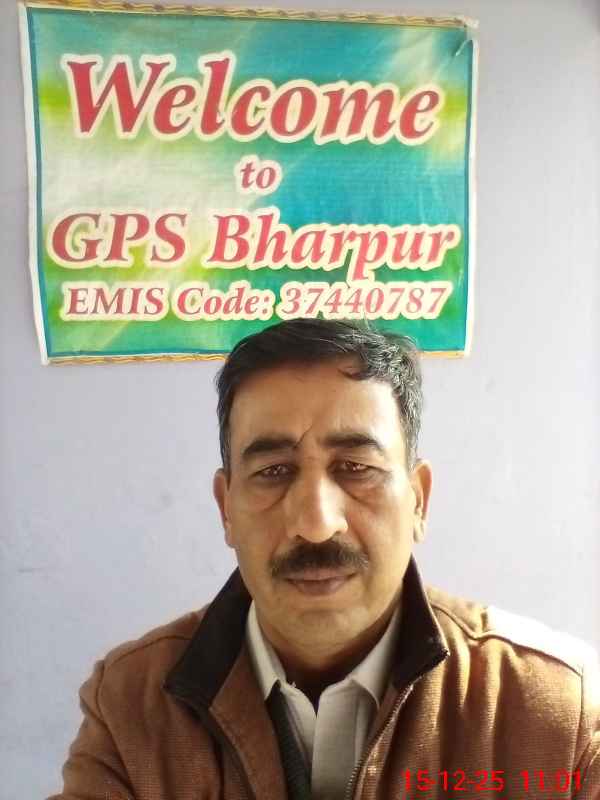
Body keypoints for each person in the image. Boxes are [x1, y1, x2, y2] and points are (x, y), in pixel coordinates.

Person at [50, 318, 599, 800]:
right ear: (226, 509)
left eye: (356, 468)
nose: (316, 523)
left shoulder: (555, 713)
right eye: (273, 472)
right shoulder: (132, 704)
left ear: (418, 501)